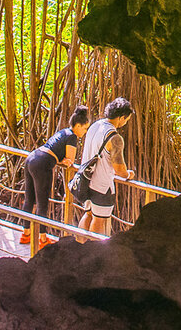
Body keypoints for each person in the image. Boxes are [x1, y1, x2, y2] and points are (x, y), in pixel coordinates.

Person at [20, 105, 89, 250]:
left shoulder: (64, 132)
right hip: (42, 164)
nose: (85, 131)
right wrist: (63, 160)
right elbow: (70, 159)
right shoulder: (72, 137)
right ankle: (42, 238)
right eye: (84, 128)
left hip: (32, 158)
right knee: (42, 203)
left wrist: (60, 159)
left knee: (29, 199)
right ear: (77, 126)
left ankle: (25, 233)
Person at [76, 97, 134, 239]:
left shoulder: (96, 125)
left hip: (85, 181)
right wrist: (128, 174)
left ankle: (78, 250)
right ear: (121, 118)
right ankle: (93, 256)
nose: (125, 123)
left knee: (88, 214)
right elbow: (119, 169)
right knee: (99, 219)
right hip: (101, 186)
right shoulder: (114, 138)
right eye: (126, 120)